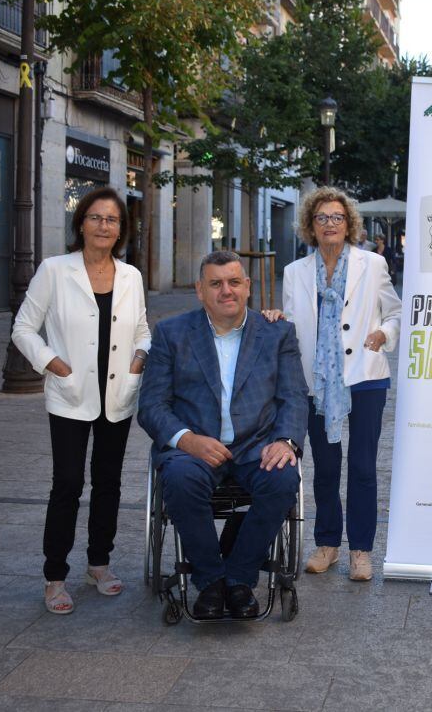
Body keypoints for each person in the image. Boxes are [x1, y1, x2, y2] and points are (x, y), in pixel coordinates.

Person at [138, 251, 308, 619]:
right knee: (179, 479)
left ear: (248, 286)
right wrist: (187, 440)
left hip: (257, 446)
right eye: (215, 284)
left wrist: (285, 441)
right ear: (200, 290)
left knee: (283, 479)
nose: (225, 291)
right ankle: (210, 580)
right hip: (194, 448)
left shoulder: (277, 333)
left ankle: (238, 578)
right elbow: (151, 405)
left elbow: (293, 396)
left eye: (233, 282)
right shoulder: (171, 333)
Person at [12, 187, 150, 614]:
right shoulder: (55, 270)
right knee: (68, 483)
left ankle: (99, 564)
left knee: (108, 482)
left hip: (117, 393)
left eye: (112, 219)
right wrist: (53, 364)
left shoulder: (130, 276)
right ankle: (55, 576)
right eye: (95, 217)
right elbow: (23, 328)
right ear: (81, 224)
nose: (103, 226)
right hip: (70, 393)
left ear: (121, 229)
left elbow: (142, 329)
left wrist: (139, 359)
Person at [264, 187, 400, 582]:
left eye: (337, 217)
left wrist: (385, 334)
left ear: (349, 224)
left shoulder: (372, 264)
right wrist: (276, 319)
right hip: (316, 382)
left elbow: (395, 313)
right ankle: (327, 544)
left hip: (365, 377)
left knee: (362, 466)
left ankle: (361, 550)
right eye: (322, 217)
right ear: (311, 225)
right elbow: (293, 323)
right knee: (324, 467)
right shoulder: (295, 271)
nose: (330, 224)